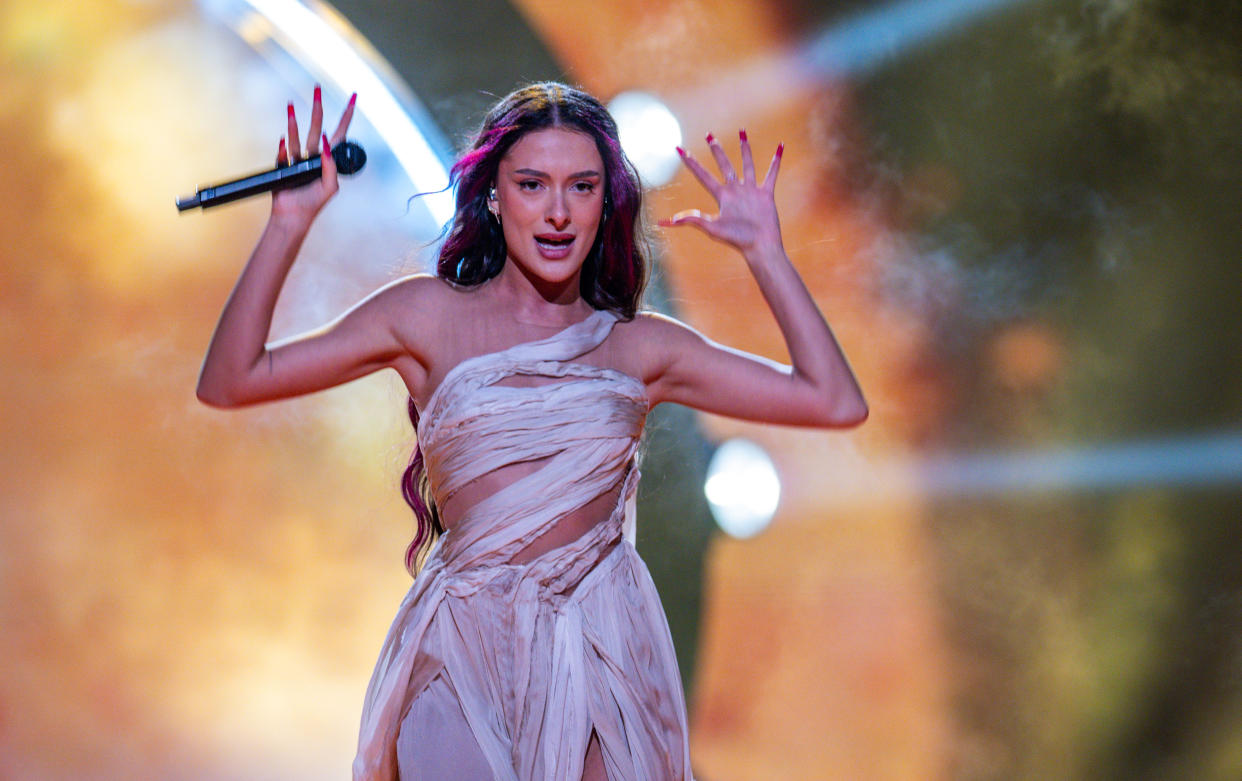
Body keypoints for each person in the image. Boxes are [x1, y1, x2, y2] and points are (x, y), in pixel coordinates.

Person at [197, 82, 867, 781]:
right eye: (531, 183)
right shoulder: (424, 315)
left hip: (602, 648)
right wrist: (288, 224)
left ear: (606, 202)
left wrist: (765, 253)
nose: (557, 212)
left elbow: (832, 401)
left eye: (581, 186)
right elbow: (231, 379)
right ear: (493, 195)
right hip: (462, 649)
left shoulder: (638, 346)